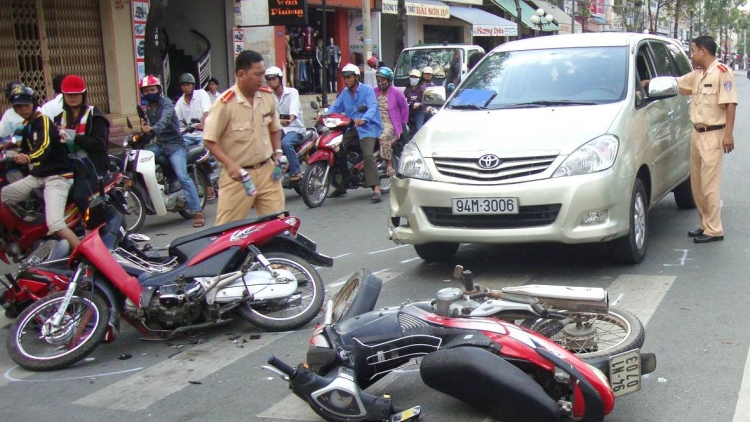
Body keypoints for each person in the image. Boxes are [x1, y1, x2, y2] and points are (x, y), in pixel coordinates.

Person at [203, 50, 285, 225]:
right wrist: (231, 165)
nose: (262, 78)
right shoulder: (225, 103)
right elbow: (210, 140)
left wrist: (277, 152)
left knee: (278, 226)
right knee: (227, 232)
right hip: (238, 177)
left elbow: (274, 128)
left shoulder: (266, 96)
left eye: (263, 74)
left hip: (267, 172)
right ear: (241, 74)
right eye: (258, 74)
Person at [676, 35, 738, 244]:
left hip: (713, 134)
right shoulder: (697, 75)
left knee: (710, 185)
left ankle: (715, 229)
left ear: (703, 51)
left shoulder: (722, 73)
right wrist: (647, 83)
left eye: (693, 50)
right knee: (698, 184)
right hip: (697, 133)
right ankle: (705, 225)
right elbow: (676, 84)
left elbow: (730, 104)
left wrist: (728, 134)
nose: (691, 55)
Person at [1, 85, 79, 249]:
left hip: (58, 176)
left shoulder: (43, 121)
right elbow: (24, 147)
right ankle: (22, 237)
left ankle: (86, 255)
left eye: (26, 105)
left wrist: (28, 157)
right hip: (38, 176)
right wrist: (7, 148)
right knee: (3, 196)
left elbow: (43, 147)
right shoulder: (28, 125)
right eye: (18, 107)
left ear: (34, 103)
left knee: (55, 224)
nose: (22, 109)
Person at [138, 75, 205, 228]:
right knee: (142, 157)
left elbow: (163, 121)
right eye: (146, 90)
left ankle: (197, 212)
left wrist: (153, 129)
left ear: (159, 90)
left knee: (182, 176)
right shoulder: (148, 108)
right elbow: (153, 131)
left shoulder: (167, 104)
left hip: (175, 145)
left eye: (152, 89)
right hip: (160, 144)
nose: (149, 92)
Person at [54, 74, 111, 213]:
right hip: (68, 166)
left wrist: (74, 138)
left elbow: (99, 143)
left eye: (76, 94)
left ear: (83, 95)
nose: (72, 97)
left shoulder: (95, 115)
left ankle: (94, 226)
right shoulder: (59, 118)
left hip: (92, 166)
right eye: (69, 95)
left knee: (80, 196)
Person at [326, 63, 382, 201]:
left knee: (368, 153)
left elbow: (372, 107)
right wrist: (323, 115)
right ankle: (341, 184)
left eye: (349, 77)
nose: (346, 80)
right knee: (335, 148)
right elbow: (335, 108)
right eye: (344, 77)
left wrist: (364, 119)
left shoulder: (367, 90)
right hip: (351, 127)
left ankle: (376, 187)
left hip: (368, 127)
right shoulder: (344, 93)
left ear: (356, 77)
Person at [265, 66, 306, 182]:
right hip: (279, 129)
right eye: (269, 79)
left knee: (285, 143)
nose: (271, 82)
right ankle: (275, 174)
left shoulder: (292, 92)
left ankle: (296, 172)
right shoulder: (269, 96)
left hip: (295, 128)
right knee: (267, 145)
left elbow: (293, 113)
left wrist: (288, 119)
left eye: (274, 79)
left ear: (280, 79)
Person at [373, 67, 408, 201]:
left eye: (382, 80)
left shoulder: (397, 93)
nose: (380, 82)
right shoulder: (374, 92)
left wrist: (402, 125)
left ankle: (388, 164)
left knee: (383, 138)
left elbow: (404, 108)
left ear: (389, 80)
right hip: (375, 122)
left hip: (390, 124)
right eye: (378, 80)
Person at [175, 73, 211, 148]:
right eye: (183, 85)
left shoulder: (201, 94)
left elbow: (206, 112)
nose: (186, 88)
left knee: (204, 153)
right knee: (176, 148)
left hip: (204, 134)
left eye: (188, 85)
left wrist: (203, 125)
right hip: (188, 135)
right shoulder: (180, 102)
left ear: (193, 85)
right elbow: (175, 118)